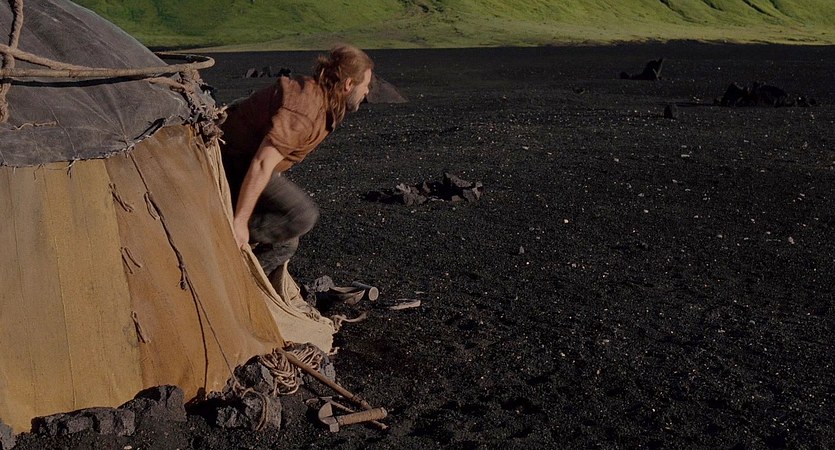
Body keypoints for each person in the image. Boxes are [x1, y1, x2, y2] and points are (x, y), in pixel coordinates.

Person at [220, 44, 374, 280]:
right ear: (348, 84)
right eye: (365, 85)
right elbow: (262, 163)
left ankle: (243, 284)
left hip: (246, 161)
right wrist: (240, 223)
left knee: (286, 243)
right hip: (237, 159)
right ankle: (223, 235)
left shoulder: (322, 101)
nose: (367, 92)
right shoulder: (306, 109)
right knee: (301, 215)